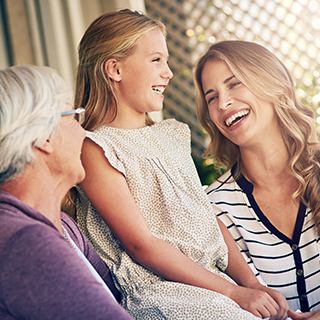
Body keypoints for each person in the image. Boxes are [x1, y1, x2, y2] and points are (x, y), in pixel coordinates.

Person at [69, 9, 289, 320]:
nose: (169, 72)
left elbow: (208, 219)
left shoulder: (170, 136)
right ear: (114, 69)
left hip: (214, 287)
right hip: (165, 294)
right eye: (156, 59)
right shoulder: (96, 148)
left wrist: (254, 286)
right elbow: (141, 244)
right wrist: (233, 293)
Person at [194, 40, 320, 315]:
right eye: (212, 97)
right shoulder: (215, 207)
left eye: (235, 83)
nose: (224, 102)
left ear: (272, 83)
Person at [0, 64, 134, 320]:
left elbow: (121, 299)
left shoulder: (64, 226)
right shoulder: (24, 243)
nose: (83, 131)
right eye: (73, 117)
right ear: (44, 138)